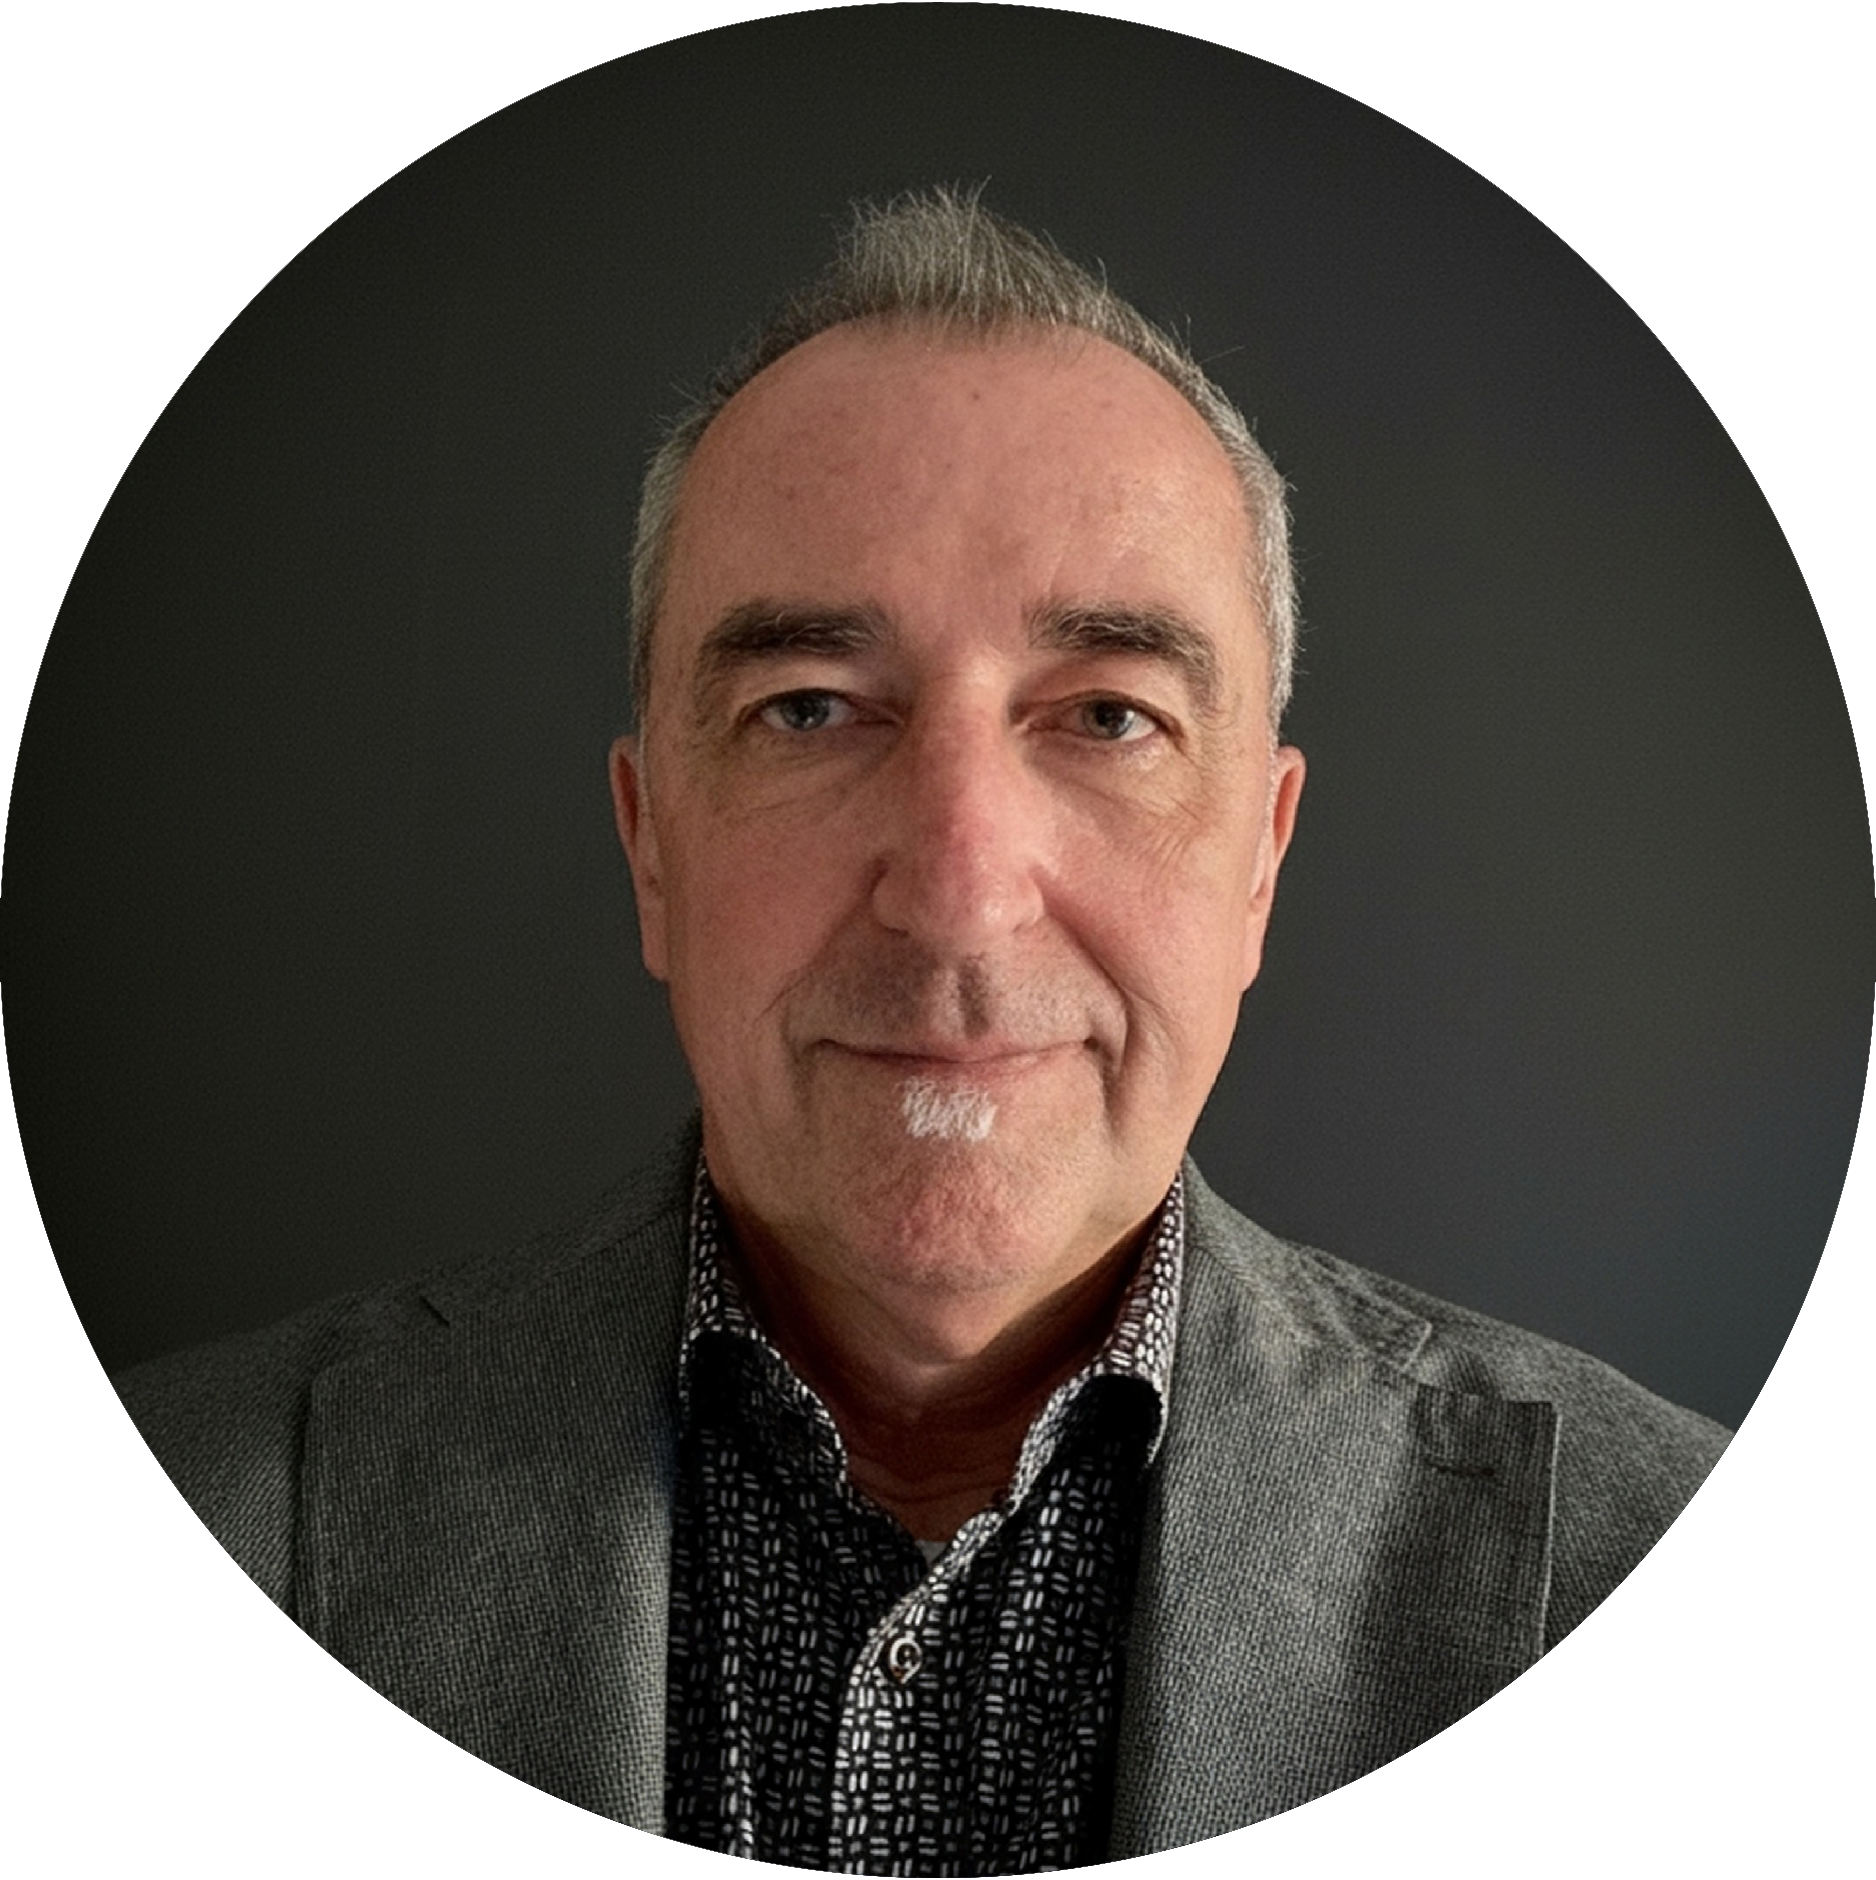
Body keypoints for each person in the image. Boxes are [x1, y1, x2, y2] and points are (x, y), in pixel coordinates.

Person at [115, 192, 1874, 1876]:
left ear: (1260, 863)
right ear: (652, 846)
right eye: (810, 709)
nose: (959, 898)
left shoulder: (1679, 1538)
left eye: (1108, 718)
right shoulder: (247, 1498)